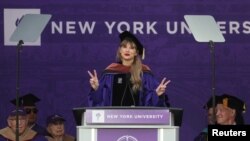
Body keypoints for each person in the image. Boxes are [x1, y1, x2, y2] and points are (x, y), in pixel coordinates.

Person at [87, 31, 171, 107]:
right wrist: (96, 89)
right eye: (124, 47)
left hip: (139, 121)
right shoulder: (110, 73)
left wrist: (157, 94)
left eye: (132, 48)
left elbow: (151, 102)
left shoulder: (144, 73)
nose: (127, 50)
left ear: (136, 52)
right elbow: (100, 102)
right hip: (113, 120)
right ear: (120, 50)